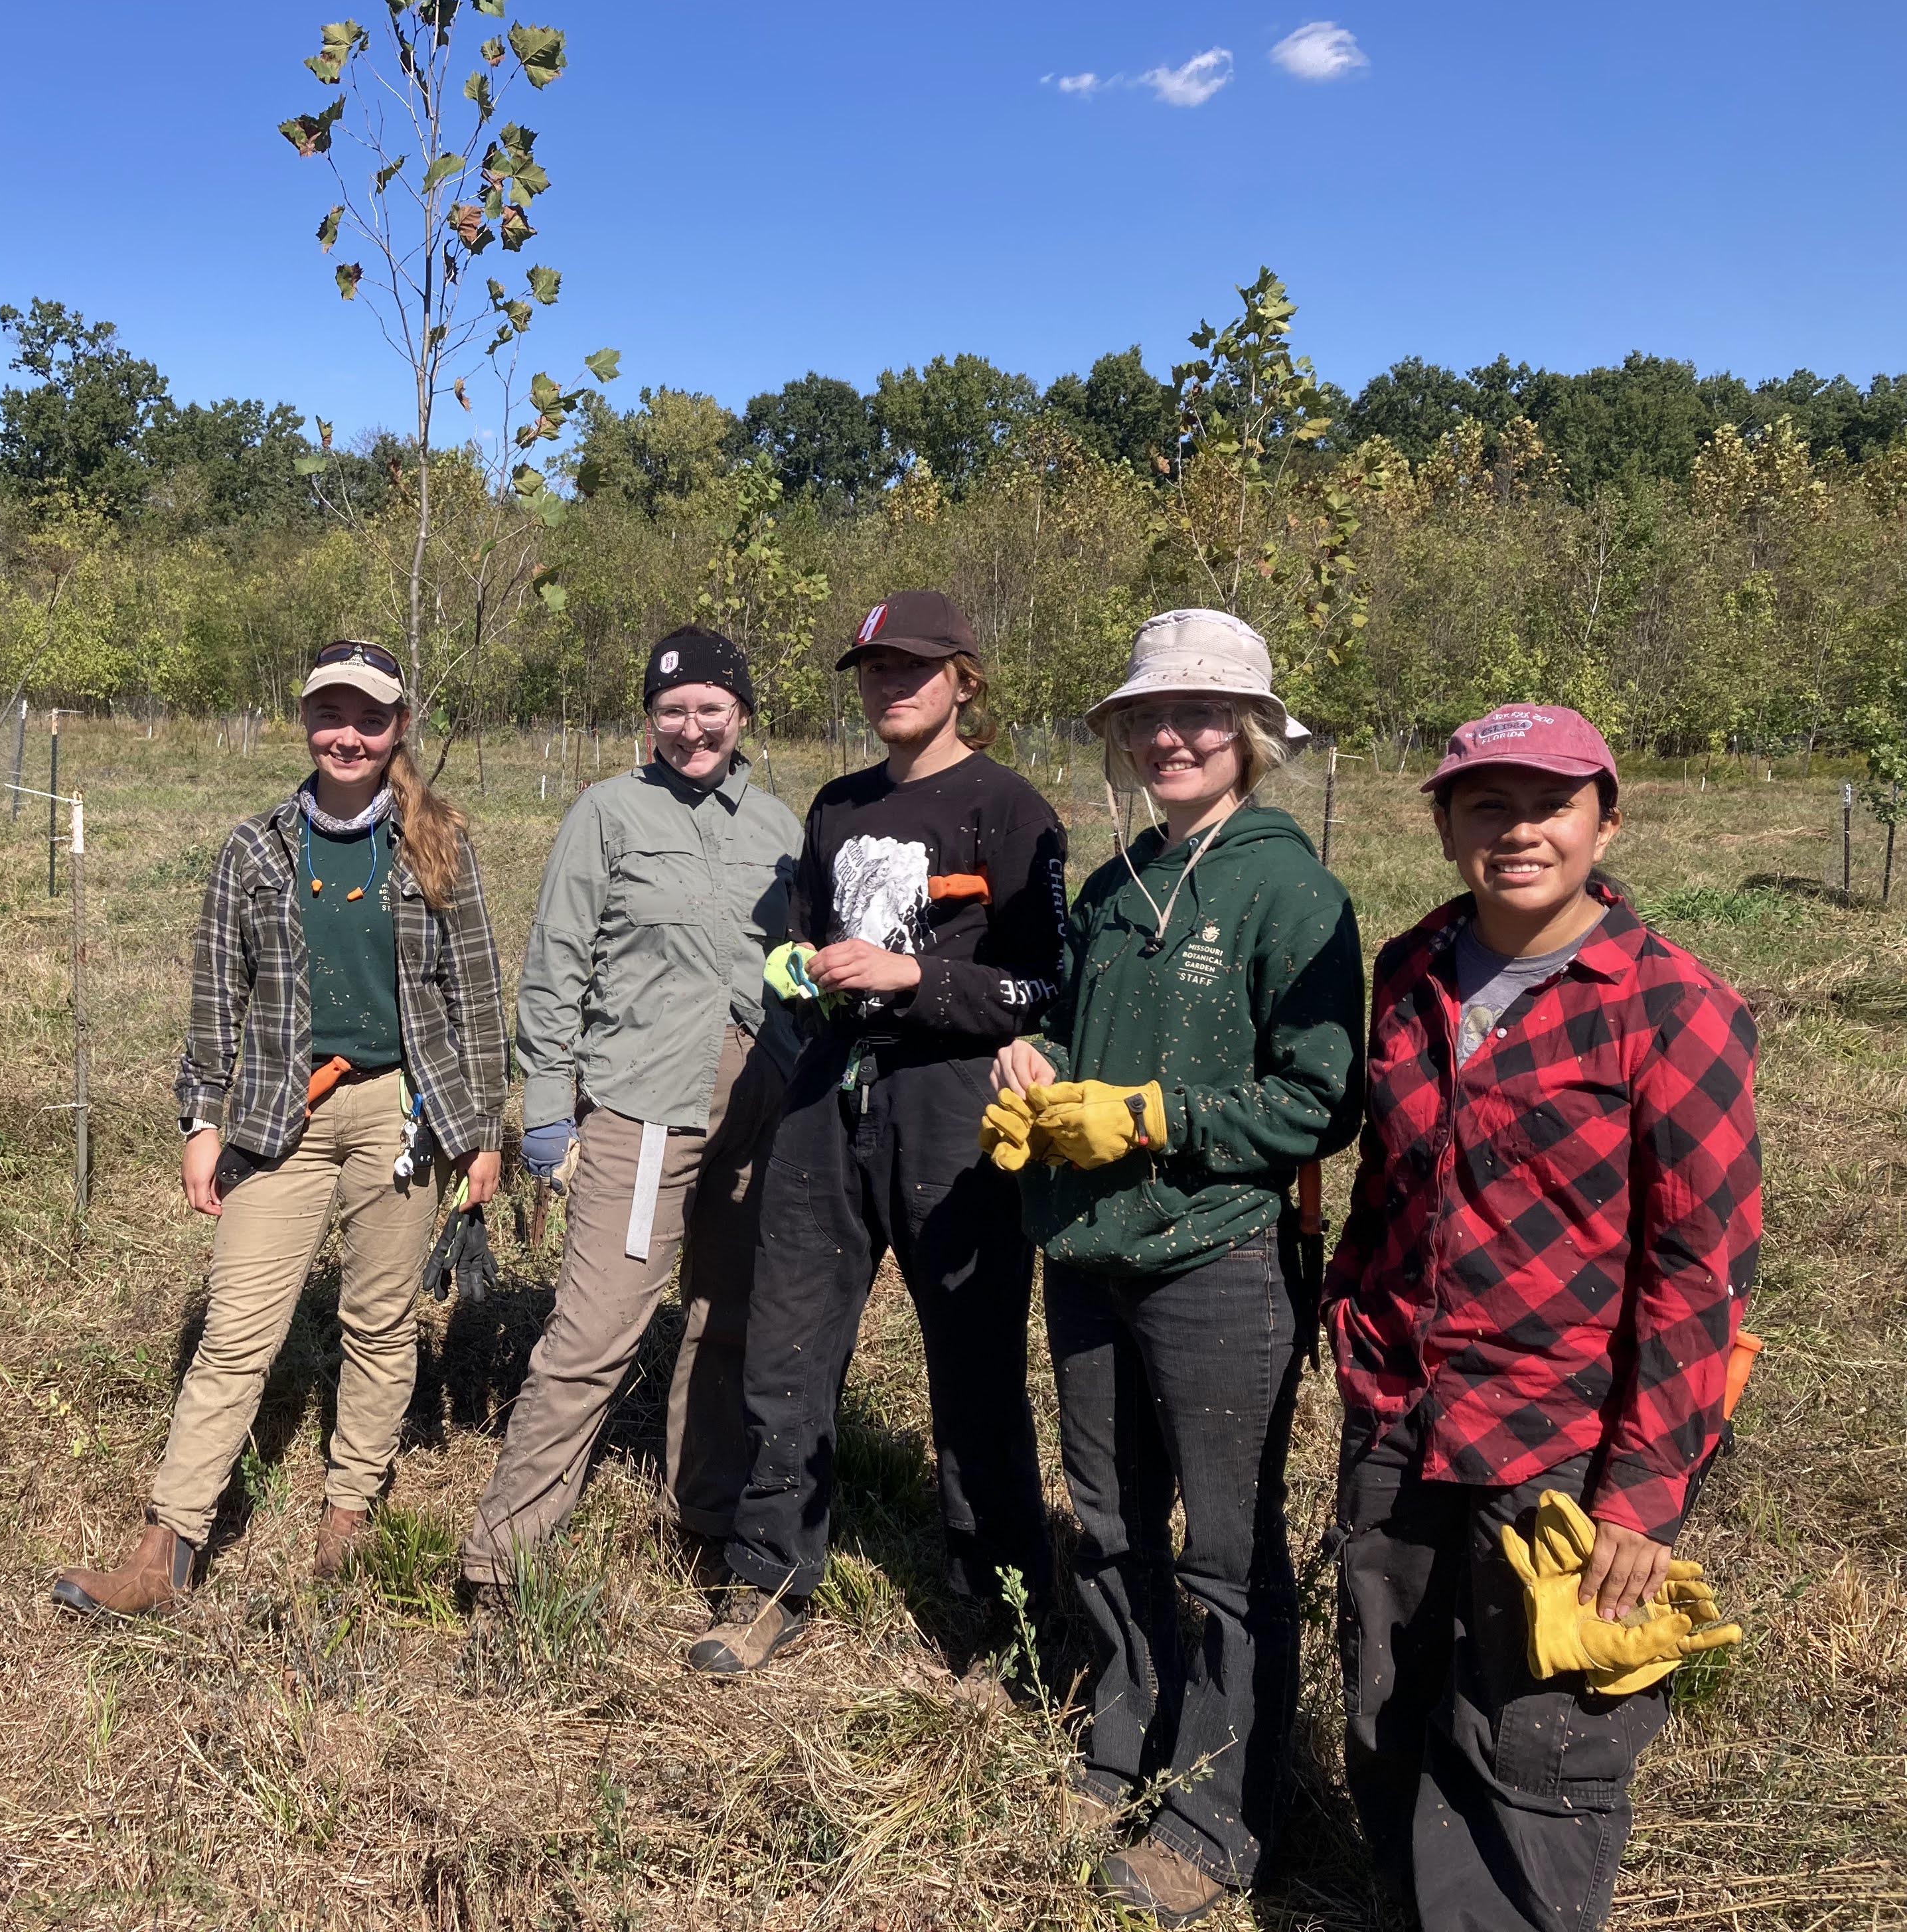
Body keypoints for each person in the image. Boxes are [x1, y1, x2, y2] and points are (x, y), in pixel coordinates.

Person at [1325, 704, 1754, 1932]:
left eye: (1550, 803)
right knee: (1388, 1693)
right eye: (1486, 804)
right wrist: (1357, 1328)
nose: (1518, 831)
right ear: (1449, 825)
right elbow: (1392, 1188)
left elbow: (1702, 1268)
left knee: (1535, 1739)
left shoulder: (1671, 1006)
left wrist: (1642, 1489)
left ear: (1605, 820)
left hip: (1563, 1434)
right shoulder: (1410, 971)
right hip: (1404, 1405)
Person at [990, 607, 1364, 1924]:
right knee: (1105, 1521)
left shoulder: (1289, 889)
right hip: (1087, 1251)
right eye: (1151, 714)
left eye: (1203, 713)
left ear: (1252, 734)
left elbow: (1323, 1101)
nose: (1173, 734)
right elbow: (1079, 1043)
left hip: (1217, 1259)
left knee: (1227, 1552)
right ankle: (1126, 1733)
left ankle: (1219, 1819)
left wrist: (1158, 1118)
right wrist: (1033, 1075)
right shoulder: (1111, 886)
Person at [50, 640, 507, 1616]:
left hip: (405, 1111)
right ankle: (164, 1551)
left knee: (379, 1323)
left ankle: (351, 1511)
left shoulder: (440, 843)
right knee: (236, 1335)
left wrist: (482, 1132)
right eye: (330, 716)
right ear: (305, 721)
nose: (348, 736)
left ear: (398, 728)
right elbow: (218, 1001)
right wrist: (199, 1122)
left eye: (370, 719)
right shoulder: (254, 850)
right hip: (280, 1109)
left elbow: (475, 997)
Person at [687, 589, 1067, 1676]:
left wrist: (918, 977)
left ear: (963, 678)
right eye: (873, 669)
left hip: (955, 1103)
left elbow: (1045, 982)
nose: (891, 684)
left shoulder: (1009, 808)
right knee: (787, 1342)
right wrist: (797, 971)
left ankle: (1000, 1611)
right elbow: (809, 938)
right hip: (828, 1090)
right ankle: (768, 1579)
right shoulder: (838, 806)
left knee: (973, 1360)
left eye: (913, 666)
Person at [459, 627, 803, 1595]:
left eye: (711, 708)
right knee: (595, 1333)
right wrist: (546, 1108)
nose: (693, 728)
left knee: (727, 1320)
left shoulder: (780, 827)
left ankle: (708, 1513)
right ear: (650, 720)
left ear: (741, 713)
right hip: (643, 1111)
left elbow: (796, 968)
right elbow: (557, 961)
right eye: (672, 710)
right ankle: (501, 1557)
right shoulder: (607, 814)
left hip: (759, 1114)